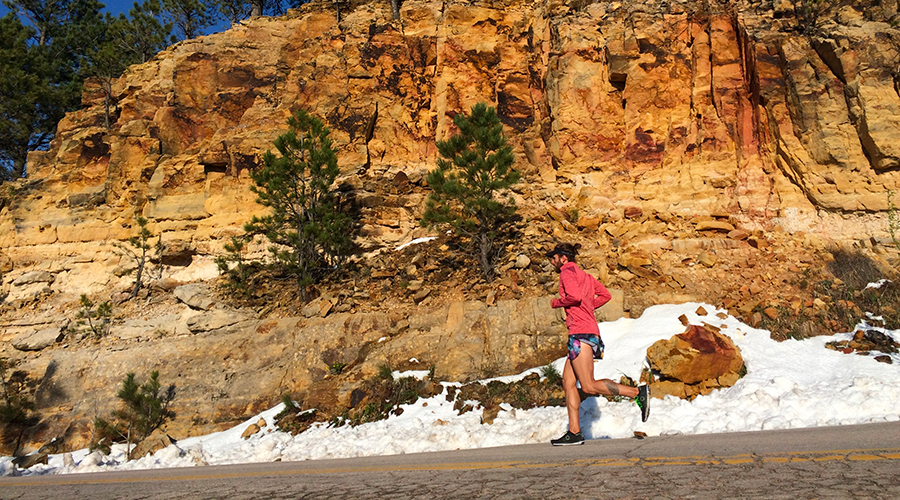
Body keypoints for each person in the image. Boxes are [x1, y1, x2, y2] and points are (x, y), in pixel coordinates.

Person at [545, 242, 650, 446]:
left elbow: (573, 297)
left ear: (564, 258)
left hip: (580, 334)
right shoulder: (586, 276)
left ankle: (638, 392)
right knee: (568, 383)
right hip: (586, 332)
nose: (552, 261)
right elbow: (605, 295)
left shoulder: (567, 272)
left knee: (588, 385)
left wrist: (556, 302)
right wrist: (587, 306)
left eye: (554, 257)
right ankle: (574, 432)